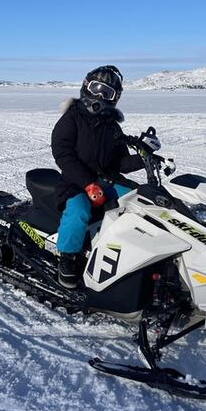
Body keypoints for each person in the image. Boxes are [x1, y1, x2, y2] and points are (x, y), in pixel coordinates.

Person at [51, 65, 160, 288]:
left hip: (106, 180)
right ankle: (68, 257)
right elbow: (63, 154)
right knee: (79, 211)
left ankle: (135, 251)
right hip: (75, 182)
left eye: (107, 92)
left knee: (138, 200)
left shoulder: (111, 126)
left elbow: (119, 162)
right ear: (85, 86)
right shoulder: (72, 118)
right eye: (97, 88)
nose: (100, 95)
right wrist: (87, 184)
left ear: (115, 98)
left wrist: (145, 155)